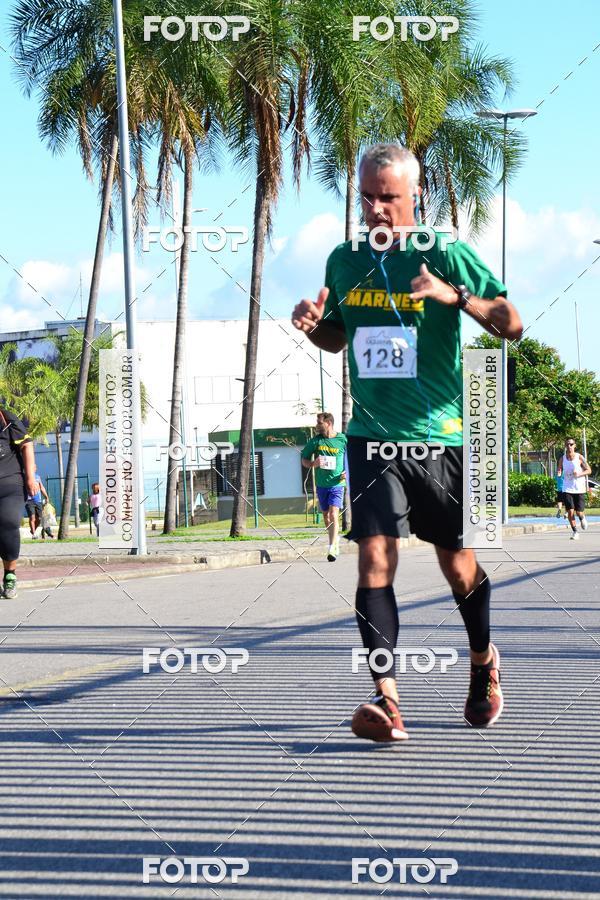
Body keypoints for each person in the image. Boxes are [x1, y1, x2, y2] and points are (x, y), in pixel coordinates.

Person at [292, 143, 523, 741]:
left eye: (387, 197)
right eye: (366, 197)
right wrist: (317, 328)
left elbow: (513, 324)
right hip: (370, 436)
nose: (375, 209)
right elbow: (340, 339)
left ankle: (482, 663)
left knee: (457, 565)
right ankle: (386, 699)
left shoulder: (445, 252)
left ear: (414, 195)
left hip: (440, 438)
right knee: (373, 557)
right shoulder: (343, 260)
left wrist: (458, 298)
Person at [0, 406, 37, 600]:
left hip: (11, 484)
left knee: (8, 522)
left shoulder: (6, 418)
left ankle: (10, 575)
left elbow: (27, 445)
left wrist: (30, 478)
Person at [301, 413, 347, 561]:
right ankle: (335, 539)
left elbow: (352, 458)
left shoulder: (342, 439)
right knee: (326, 517)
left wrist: (347, 471)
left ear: (328, 423)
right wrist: (313, 464)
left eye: (319, 423)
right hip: (321, 485)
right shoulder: (315, 441)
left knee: (334, 514)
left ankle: (332, 547)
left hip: (337, 484)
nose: (316, 425)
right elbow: (304, 460)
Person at [557, 438, 591, 540]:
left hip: (579, 488)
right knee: (570, 511)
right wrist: (559, 473)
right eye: (567, 444)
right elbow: (559, 468)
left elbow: (589, 470)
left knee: (579, 512)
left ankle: (582, 518)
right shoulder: (562, 459)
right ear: (565, 446)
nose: (569, 446)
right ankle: (575, 532)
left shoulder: (579, 457)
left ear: (574, 445)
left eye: (571, 444)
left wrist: (580, 474)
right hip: (567, 488)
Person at [25, 467, 53, 539]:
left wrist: (46, 497)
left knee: (40, 519)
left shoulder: (37, 477)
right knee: (32, 518)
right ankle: (34, 534)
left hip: (38, 501)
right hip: (29, 501)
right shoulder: (25, 477)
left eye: (34, 467)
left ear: (35, 469)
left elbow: (42, 488)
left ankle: (33, 530)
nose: (33, 468)